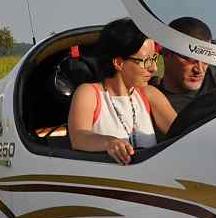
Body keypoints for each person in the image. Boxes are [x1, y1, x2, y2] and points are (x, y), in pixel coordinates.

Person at [68, 18, 177, 164]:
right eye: (146, 61)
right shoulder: (89, 93)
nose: (154, 68)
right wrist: (109, 143)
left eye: (154, 59)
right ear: (118, 63)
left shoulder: (150, 93)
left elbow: (184, 133)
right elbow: (79, 138)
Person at [156, 16, 216, 116]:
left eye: (205, 59)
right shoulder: (148, 101)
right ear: (166, 54)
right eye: (190, 59)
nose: (199, 70)